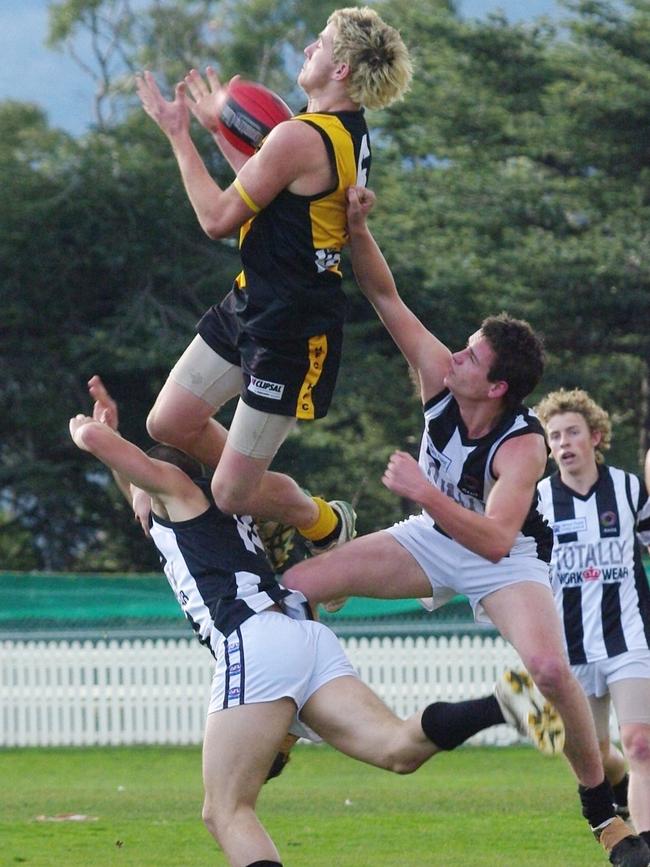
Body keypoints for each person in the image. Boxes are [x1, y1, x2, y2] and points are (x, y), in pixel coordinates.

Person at [281, 188, 650, 866]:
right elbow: (385, 296)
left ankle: (603, 812)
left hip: (505, 559)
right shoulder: (440, 376)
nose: (456, 356)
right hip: (432, 536)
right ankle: (286, 723)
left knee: (546, 667)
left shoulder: (522, 444)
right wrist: (359, 226)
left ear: (498, 388)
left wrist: (423, 487)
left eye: (473, 358)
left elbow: (495, 539)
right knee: (294, 585)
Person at [70, 376, 563, 867]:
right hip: (300, 632)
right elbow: (137, 488)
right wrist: (114, 444)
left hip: (255, 637)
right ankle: (499, 705)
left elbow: (115, 456)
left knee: (224, 811)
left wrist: (89, 433)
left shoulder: (181, 492)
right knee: (397, 750)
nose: (140, 492)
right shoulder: (174, 511)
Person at [135, 7, 413, 558]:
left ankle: (324, 523)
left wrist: (179, 134)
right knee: (168, 422)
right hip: (252, 302)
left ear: (341, 69)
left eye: (322, 43)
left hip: (291, 330)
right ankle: (264, 492)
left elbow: (217, 218)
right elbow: (270, 190)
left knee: (231, 493)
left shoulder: (299, 137)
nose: (310, 48)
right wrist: (221, 127)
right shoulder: (344, 133)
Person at [535, 387, 650, 842]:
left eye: (572, 433)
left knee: (641, 743)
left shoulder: (628, 489)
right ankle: (618, 785)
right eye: (554, 435)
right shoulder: (537, 499)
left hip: (629, 638)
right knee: (596, 755)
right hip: (570, 648)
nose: (563, 443)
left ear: (595, 437)